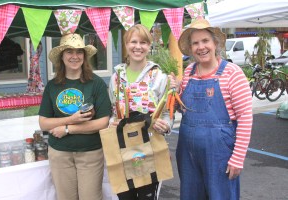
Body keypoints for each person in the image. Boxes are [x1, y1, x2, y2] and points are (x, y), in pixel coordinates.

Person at [169, 18, 253, 200]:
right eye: (195, 43)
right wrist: (174, 92)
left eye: (205, 41)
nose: (201, 47)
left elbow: (245, 117)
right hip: (188, 154)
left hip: (220, 154)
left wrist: (238, 158)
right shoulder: (189, 72)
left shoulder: (232, 73)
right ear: (191, 48)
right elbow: (181, 109)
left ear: (215, 43)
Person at [38, 33, 111, 200]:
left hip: (90, 153)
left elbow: (102, 122)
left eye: (79, 52)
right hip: (60, 154)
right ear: (62, 56)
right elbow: (43, 123)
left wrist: (67, 129)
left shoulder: (96, 83)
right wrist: (71, 119)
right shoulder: (52, 86)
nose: (74, 56)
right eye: (69, 52)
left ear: (84, 57)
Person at [108, 24, 174, 200]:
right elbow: (113, 112)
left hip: (150, 147)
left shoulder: (159, 77)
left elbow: (168, 115)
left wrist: (165, 125)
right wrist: (112, 123)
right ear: (126, 44)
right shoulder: (116, 77)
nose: (138, 46)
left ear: (149, 45)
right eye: (133, 41)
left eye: (143, 42)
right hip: (122, 148)